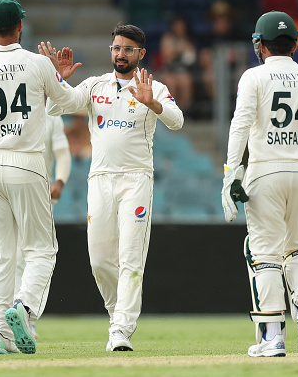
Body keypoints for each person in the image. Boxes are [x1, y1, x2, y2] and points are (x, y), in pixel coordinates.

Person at [0, 0, 83, 355]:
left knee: (1, 254)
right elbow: (67, 103)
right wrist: (58, 77)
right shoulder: (39, 64)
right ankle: (22, 309)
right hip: (27, 163)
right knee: (42, 250)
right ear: (21, 26)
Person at [45, 24, 184, 351]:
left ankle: (121, 328)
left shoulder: (153, 87)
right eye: (116, 48)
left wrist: (154, 104)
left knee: (130, 257)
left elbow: (177, 120)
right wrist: (58, 79)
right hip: (101, 180)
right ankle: (116, 315)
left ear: (141, 54)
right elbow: (56, 107)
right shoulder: (95, 85)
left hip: (137, 179)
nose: (120, 54)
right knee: (100, 261)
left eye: (127, 49)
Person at [221, 11, 298, 357]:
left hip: (265, 171)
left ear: (259, 45)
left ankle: (273, 337)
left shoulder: (253, 77)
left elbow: (240, 125)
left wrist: (231, 172)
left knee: (263, 253)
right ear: (294, 44)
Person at [0, 113, 72, 340]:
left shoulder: (51, 117)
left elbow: (62, 155)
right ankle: (23, 314)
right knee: (25, 256)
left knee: (5, 256)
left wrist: (59, 182)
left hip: (26, 191)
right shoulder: (14, 110)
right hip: (28, 187)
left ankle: (2, 331)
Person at [157, 16, 197, 116]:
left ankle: (185, 112)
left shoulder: (189, 39)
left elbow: (191, 58)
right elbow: (167, 57)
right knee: (171, 82)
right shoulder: (167, 38)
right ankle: (170, 111)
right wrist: (178, 49)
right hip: (168, 69)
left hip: (183, 69)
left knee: (185, 81)